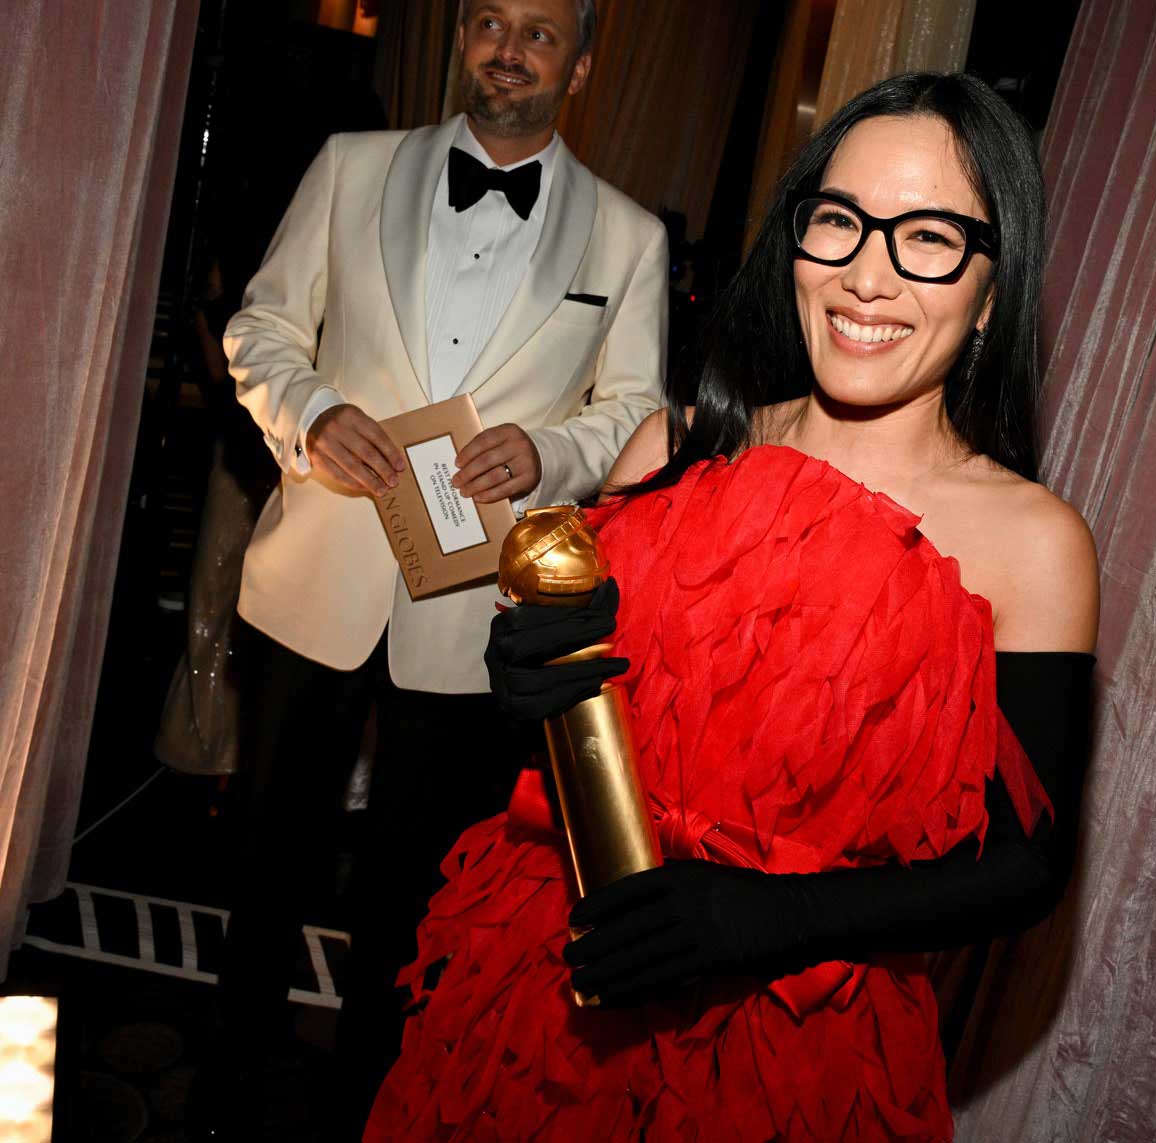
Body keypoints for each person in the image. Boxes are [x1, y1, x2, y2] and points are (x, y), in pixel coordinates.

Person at [365, 72, 1098, 1142]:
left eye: (930, 238)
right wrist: (524, 689)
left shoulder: (1032, 544)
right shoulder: (671, 449)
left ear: (992, 291)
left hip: (792, 1038)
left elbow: (1027, 866)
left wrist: (778, 917)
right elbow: (580, 738)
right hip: (548, 981)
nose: (867, 275)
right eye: (839, 220)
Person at [202, 0, 667, 1133]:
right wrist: (311, 414)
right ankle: (223, 1095)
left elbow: (636, 411)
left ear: (580, 67)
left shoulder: (628, 236)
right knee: (265, 865)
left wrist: (550, 452)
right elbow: (260, 328)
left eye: (540, 34)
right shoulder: (350, 167)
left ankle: (367, 1107)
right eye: (490, 22)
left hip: (471, 618)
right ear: (463, 39)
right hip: (315, 578)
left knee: (411, 901)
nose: (509, 49)